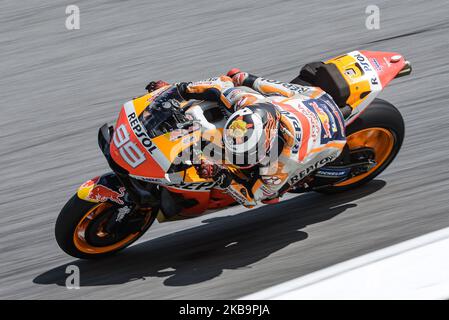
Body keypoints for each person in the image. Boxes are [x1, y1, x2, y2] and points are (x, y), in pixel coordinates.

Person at [145, 70, 347, 207]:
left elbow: (251, 199)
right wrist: (175, 90)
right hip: (314, 97)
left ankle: (309, 178)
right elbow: (219, 85)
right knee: (236, 75)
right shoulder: (249, 103)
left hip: (332, 139)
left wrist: (219, 176)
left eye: (244, 155)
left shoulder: (280, 164)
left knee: (271, 197)